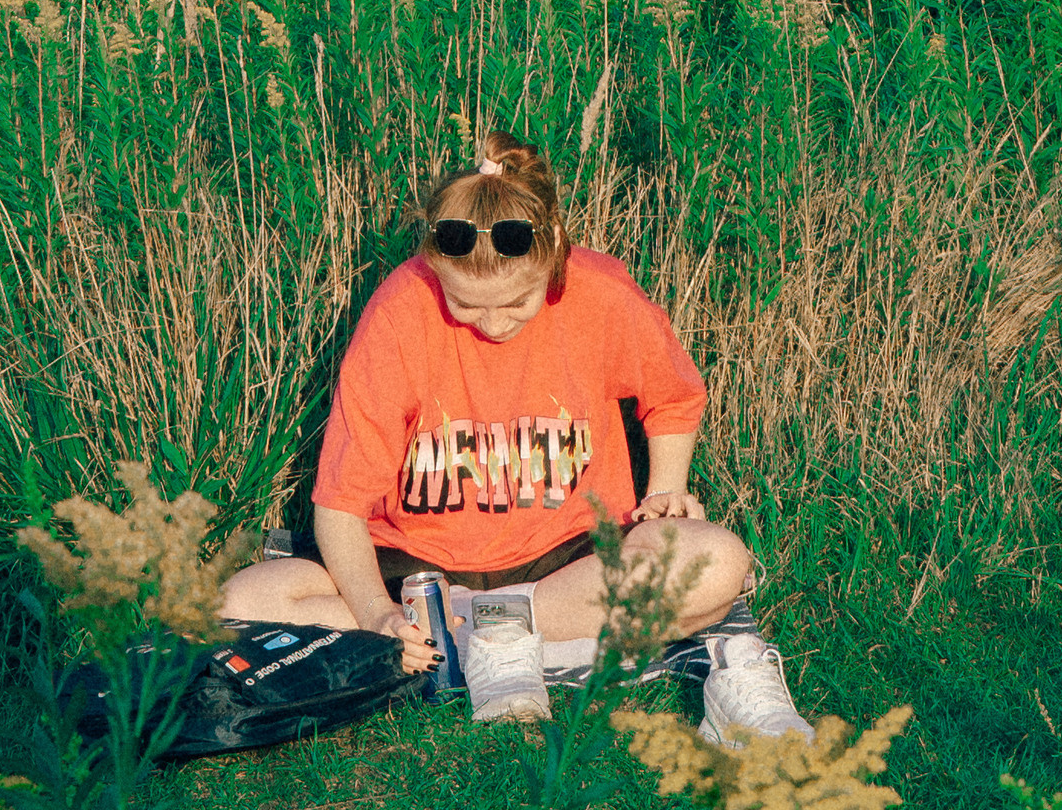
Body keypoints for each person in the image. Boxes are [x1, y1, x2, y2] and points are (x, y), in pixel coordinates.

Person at [219, 128, 813, 740]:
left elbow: (674, 395)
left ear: (554, 248)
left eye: (517, 303)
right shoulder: (401, 307)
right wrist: (377, 613)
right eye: (467, 306)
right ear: (433, 265)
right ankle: (500, 634)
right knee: (240, 604)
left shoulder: (603, 292)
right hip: (422, 566)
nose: (493, 324)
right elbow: (340, 505)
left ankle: (486, 629)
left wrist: (666, 489)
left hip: (572, 554)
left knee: (716, 563)